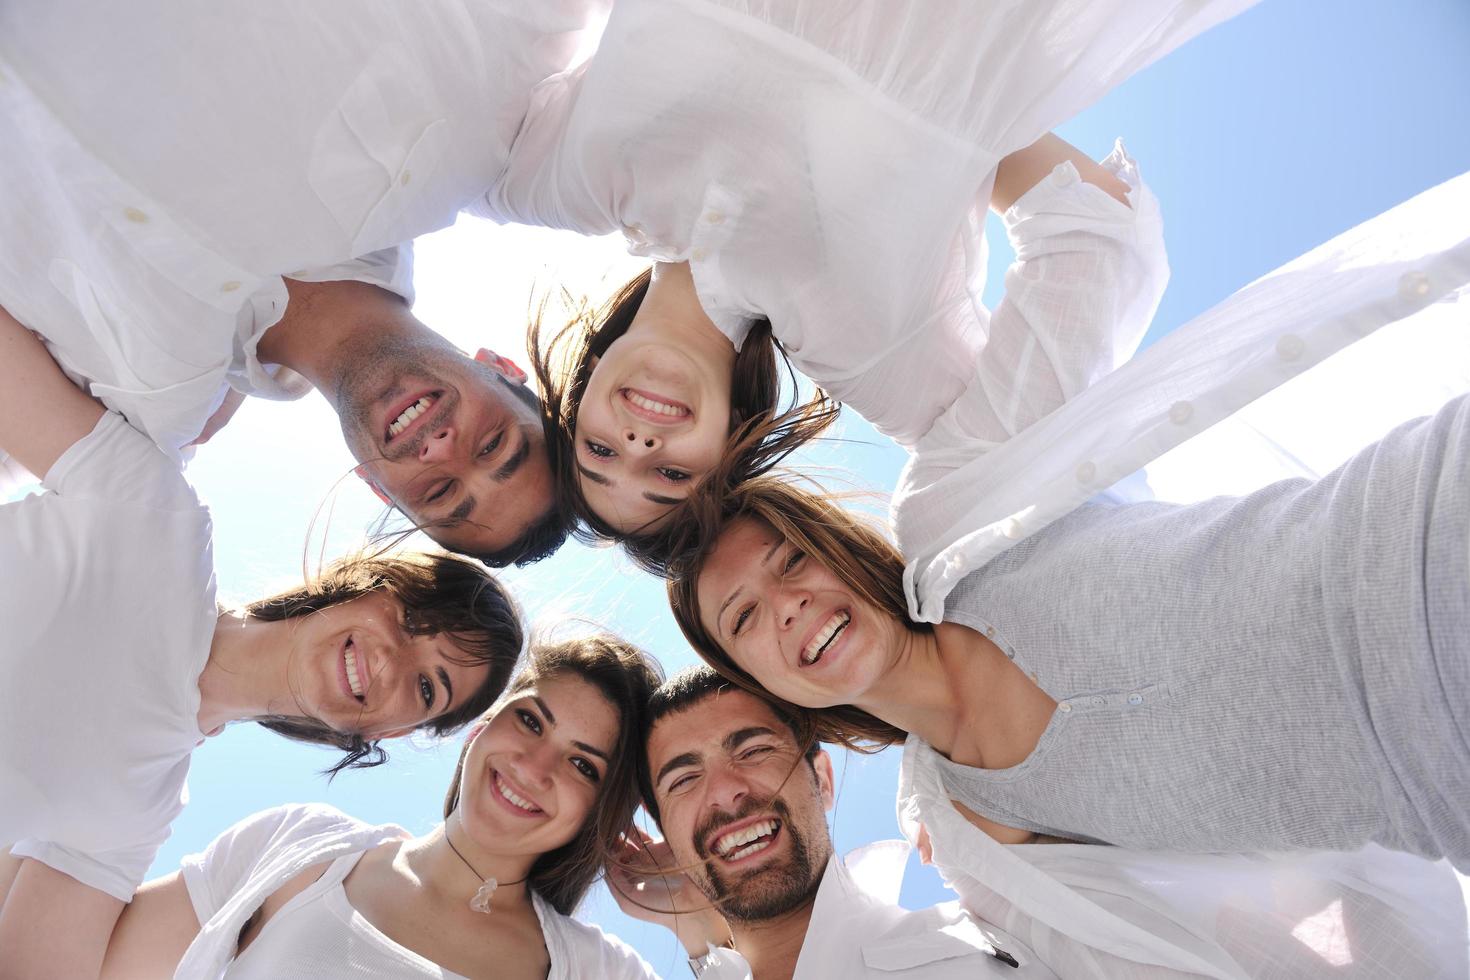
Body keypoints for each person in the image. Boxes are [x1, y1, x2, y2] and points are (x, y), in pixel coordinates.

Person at [493, 0, 1255, 545]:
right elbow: (1105, 240)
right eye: (670, 479)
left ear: (580, 387)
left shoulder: (548, 179)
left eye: (599, 452)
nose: (639, 445)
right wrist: (957, 132)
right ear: (728, 448)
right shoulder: (865, 342)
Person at [665, 369, 1470, 866]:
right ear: (762, 682)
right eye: (744, 619)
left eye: (794, 559)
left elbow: (1086, 236)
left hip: (1430, 522)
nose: (790, 604)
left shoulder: (963, 516)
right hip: (1445, 792)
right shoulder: (981, 833)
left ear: (837, 545)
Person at [0, 309, 524, 978]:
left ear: (388, 733)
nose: (395, 659)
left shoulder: (137, 809)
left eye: (428, 688)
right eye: (414, 618)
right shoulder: (160, 518)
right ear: (369, 585)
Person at [0, 0, 612, 564]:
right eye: (492, 445)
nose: (440, 450)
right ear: (502, 367)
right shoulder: (468, 130)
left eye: (440, 492)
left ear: (375, 486)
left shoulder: (138, 413)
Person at [97, 636, 670, 980]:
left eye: (583, 765)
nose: (535, 766)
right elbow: (74, 960)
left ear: (600, 812)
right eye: (529, 720)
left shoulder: (596, 969)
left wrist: (697, 924)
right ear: (479, 728)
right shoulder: (298, 844)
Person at [621, 666, 1031, 979]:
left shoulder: (976, 957)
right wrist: (698, 931)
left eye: (754, 750)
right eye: (685, 779)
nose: (724, 791)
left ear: (822, 780)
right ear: (670, 841)